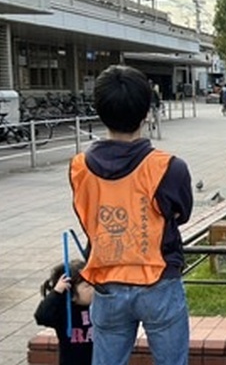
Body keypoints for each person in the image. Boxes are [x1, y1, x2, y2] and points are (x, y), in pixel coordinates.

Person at [69, 64, 193, 365]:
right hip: (158, 280)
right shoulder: (169, 167)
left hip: (107, 280)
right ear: (146, 113)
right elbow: (182, 214)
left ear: (99, 111)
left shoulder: (79, 167)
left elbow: (86, 212)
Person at [34, 260, 94, 365]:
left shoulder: (99, 307)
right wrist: (56, 292)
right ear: (71, 294)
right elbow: (42, 317)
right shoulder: (64, 310)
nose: (93, 289)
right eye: (87, 286)